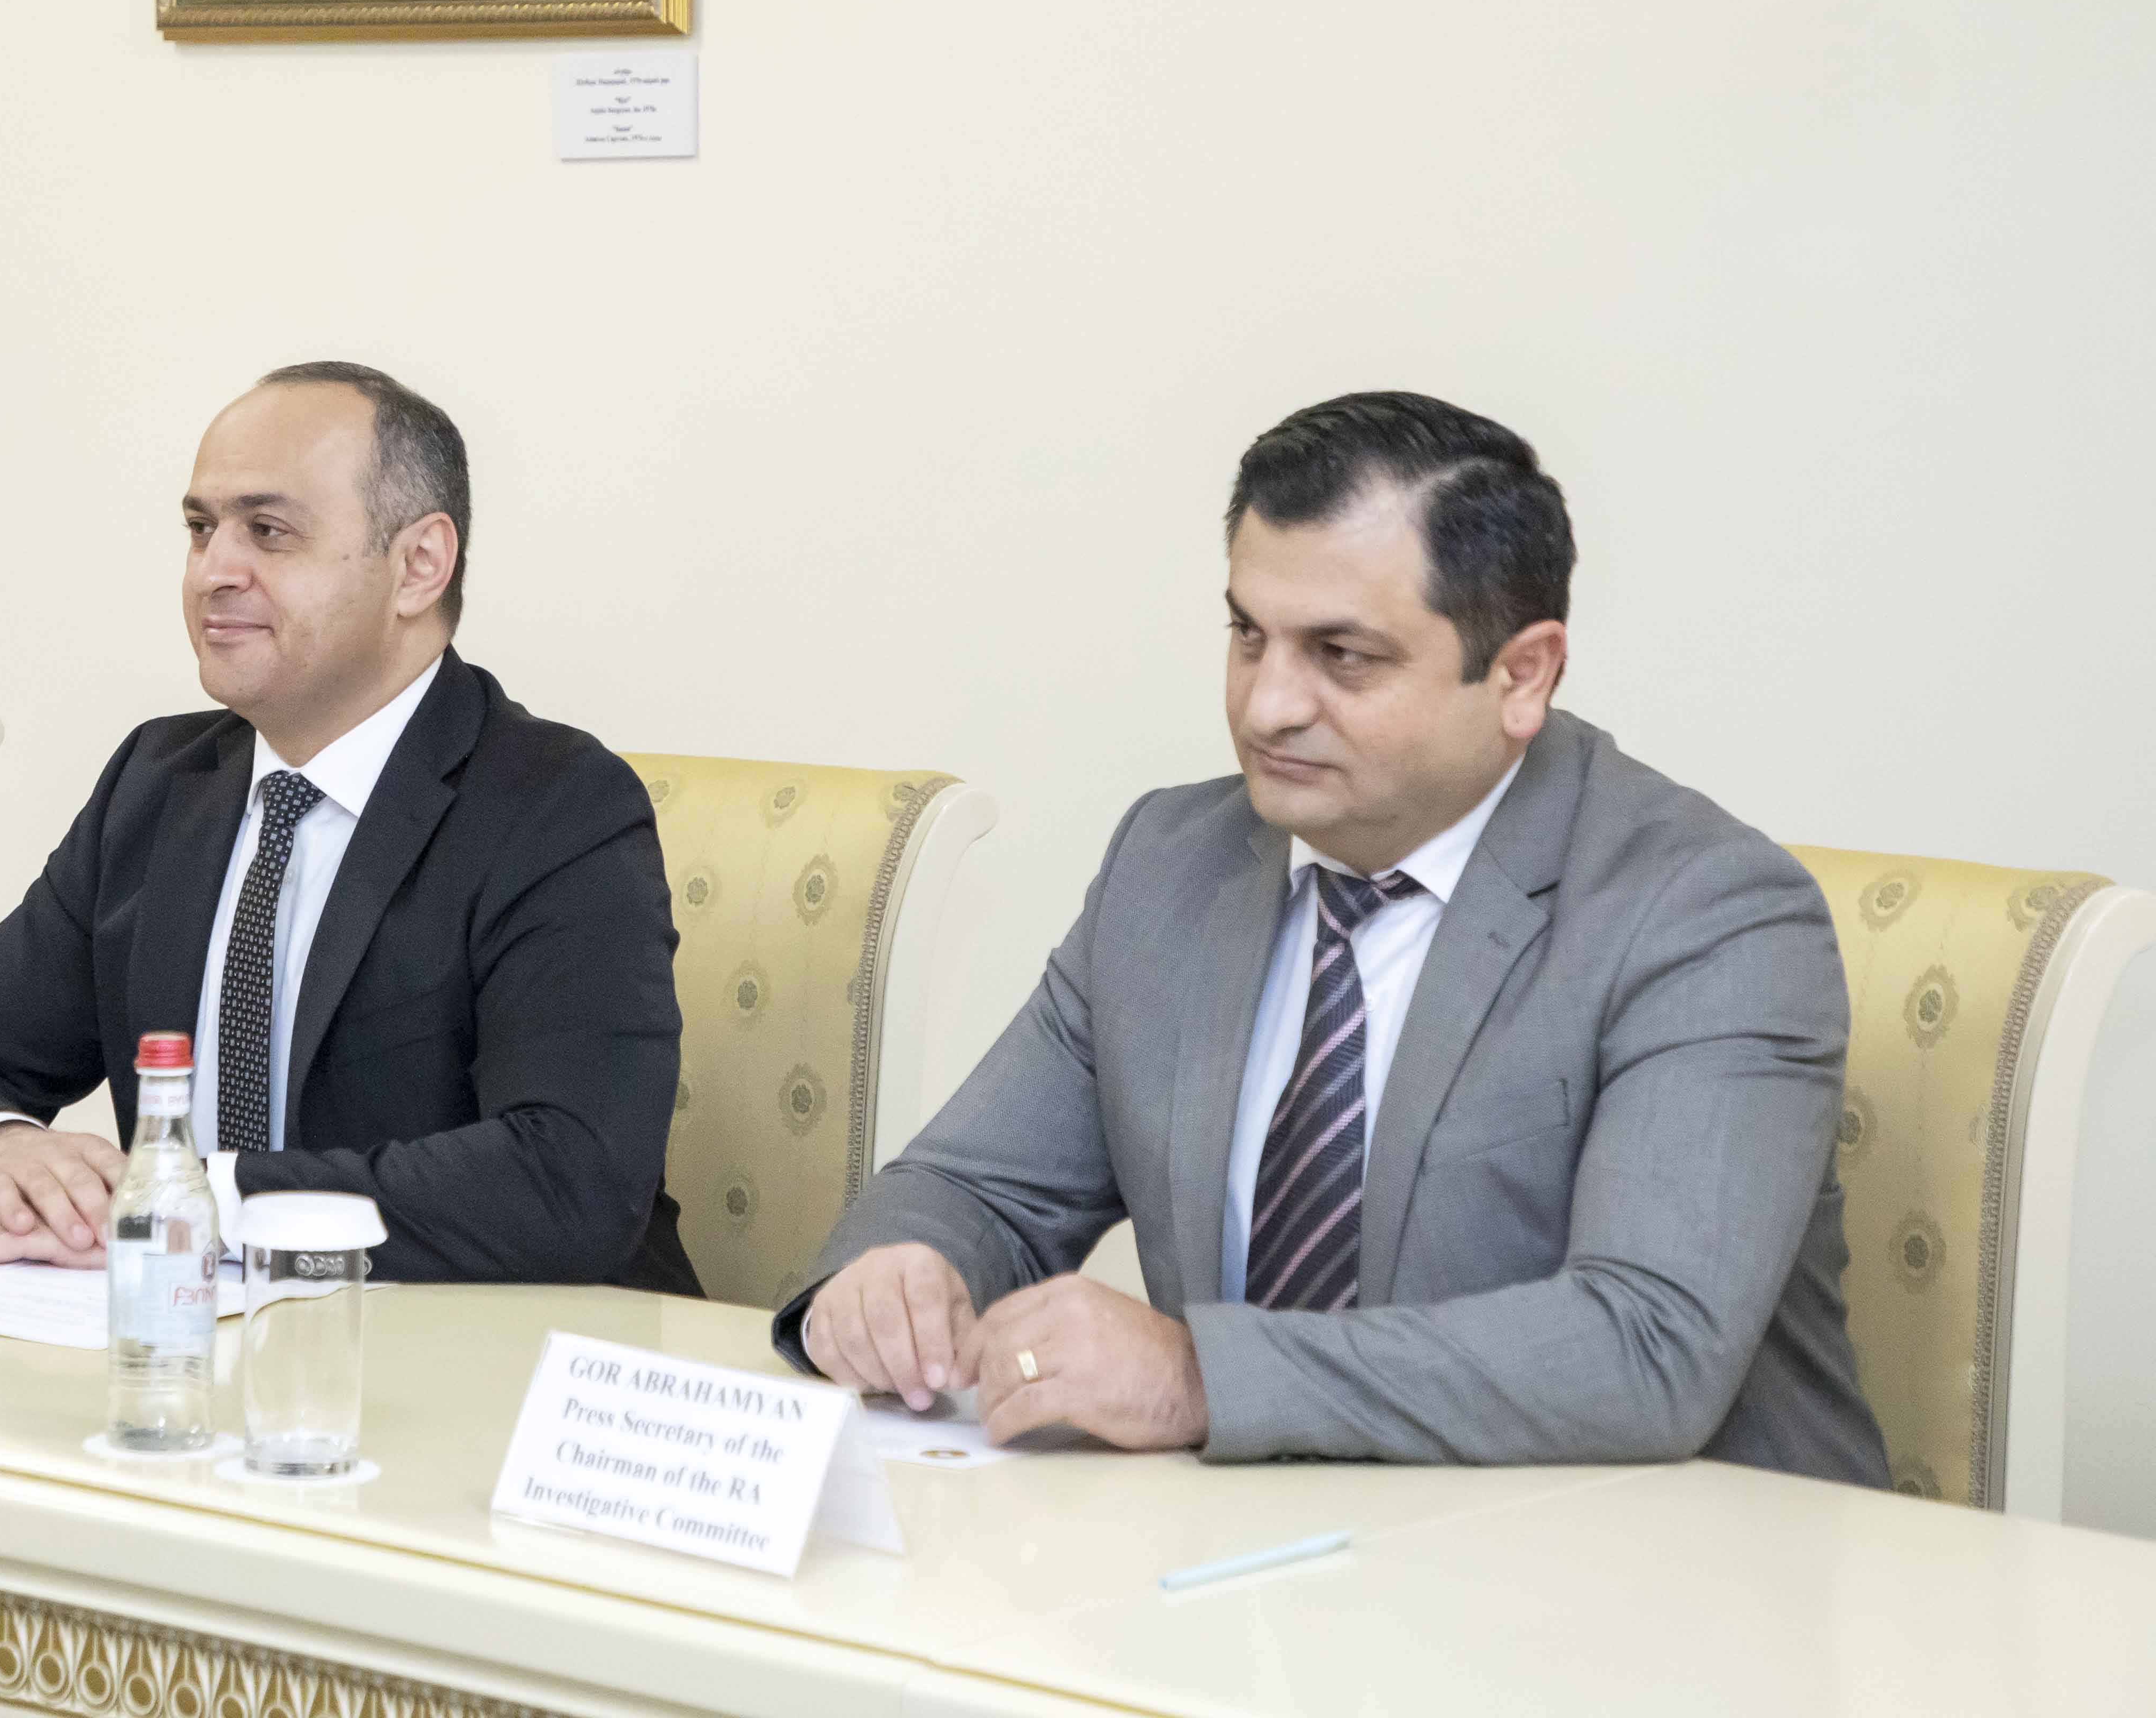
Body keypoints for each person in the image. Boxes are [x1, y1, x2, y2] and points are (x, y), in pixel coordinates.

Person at [787, 393, 1885, 1483]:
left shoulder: (1710, 913)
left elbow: (1647, 1345)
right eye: (1248, 635)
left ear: (1522, 674)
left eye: (1343, 655)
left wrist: (1199, 1377)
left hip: (1658, 1566)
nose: (1267, 706)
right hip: (1251, 1562)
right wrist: (896, 1274)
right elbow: (982, 1190)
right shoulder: (1170, 866)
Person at [0, 362, 697, 1291]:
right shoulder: (160, 784)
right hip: (192, 1346)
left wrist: (189, 1203)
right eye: (201, 529)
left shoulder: (556, 805)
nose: (214, 572)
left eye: (269, 531)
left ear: (420, 565)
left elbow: (568, 1181)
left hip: (485, 1350)